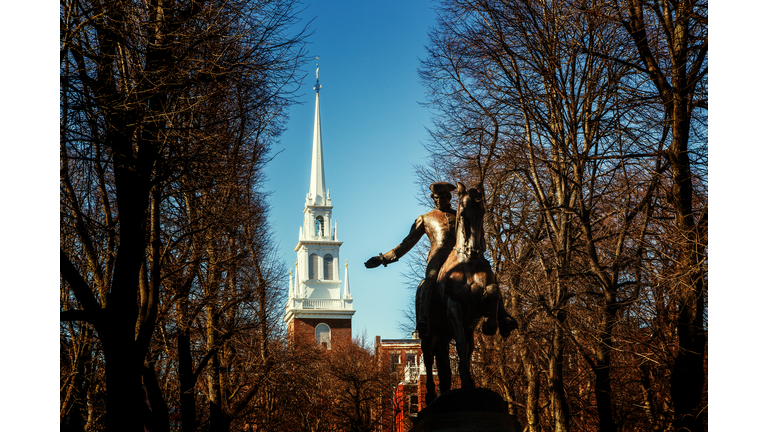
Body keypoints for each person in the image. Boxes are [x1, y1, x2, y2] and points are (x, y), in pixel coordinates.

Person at [365, 182, 457, 337]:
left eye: (441, 197)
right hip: (438, 257)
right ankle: (424, 318)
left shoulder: (460, 216)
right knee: (430, 279)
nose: (438, 201)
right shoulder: (425, 219)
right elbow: (407, 243)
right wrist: (383, 259)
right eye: (435, 198)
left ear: (449, 197)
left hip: (460, 255)